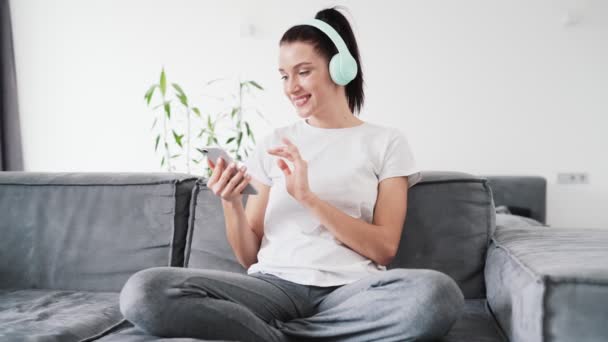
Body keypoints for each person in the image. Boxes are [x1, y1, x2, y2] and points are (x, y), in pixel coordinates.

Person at [119, 7, 464, 342]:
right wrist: (230, 203)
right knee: (144, 291)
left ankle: (272, 335)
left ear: (340, 69)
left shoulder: (385, 142)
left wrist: (308, 198)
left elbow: (384, 248)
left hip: (349, 292)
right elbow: (249, 256)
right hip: (273, 286)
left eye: (303, 72)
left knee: (437, 295)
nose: (290, 87)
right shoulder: (273, 143)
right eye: (284, 76)